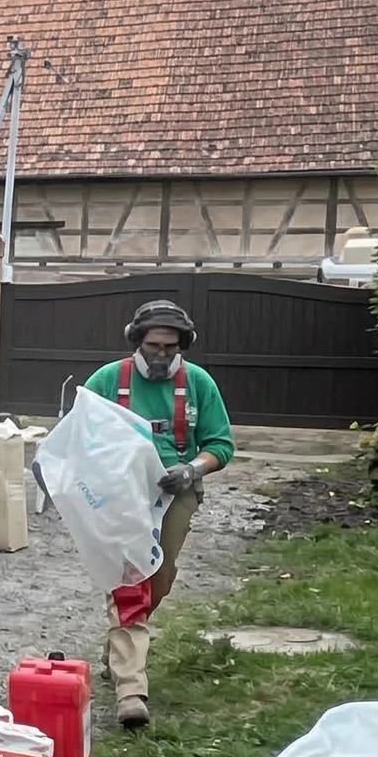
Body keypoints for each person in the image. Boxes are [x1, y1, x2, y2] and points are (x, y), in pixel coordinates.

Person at [81, 299, 234, 730]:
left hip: (176, 492)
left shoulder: (199, 383)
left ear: (183, 345)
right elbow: (79, 432)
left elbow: (221, 445)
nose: (161, 355)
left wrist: (192, 468)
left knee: (158, 582)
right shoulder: (108, 380)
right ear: (137, 341)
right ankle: (131, 691)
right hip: (120, 495)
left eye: (170, 347)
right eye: (153, 346)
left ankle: (121, 648)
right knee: (131, 583)